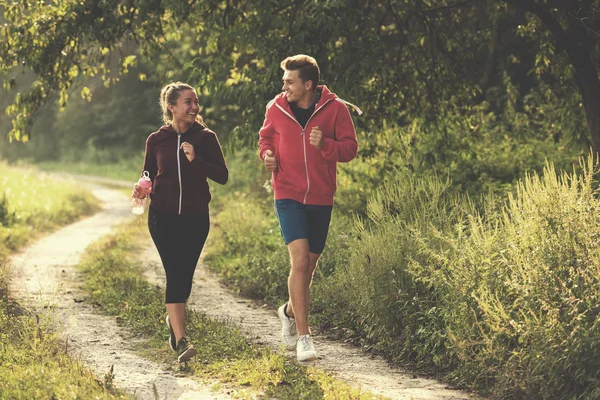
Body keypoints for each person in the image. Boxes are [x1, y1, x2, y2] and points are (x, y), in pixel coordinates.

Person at [258, 55, 361, 361]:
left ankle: (288, 310)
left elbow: (350, 149)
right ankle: (304, 337)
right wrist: (267, 156)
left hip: (320, 196)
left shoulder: (336, 110)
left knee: (308, 268)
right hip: (287, 194)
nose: (284, 86)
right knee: (300, 261)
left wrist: (326, 144)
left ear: (308, 85)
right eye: (284, 81)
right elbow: (265, 139)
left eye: (289, 81)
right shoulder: (275, 108)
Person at [132, 82, 228, 363]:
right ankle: (181, 340)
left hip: (196, 218)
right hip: (162, 217)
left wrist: (195, 160)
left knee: (184, 276)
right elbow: (147, 173)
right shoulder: (156, 139)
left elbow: (222, 175)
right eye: (188, 102)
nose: (194, 107)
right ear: (171, 107)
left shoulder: (206, 138)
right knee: (175, 273)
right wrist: (141, 188)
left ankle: (173, 325)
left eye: (196, 101)